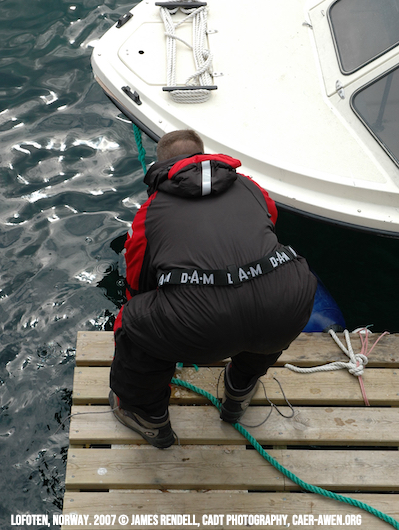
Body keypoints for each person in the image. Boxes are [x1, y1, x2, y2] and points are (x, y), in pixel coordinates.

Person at [109, 129, 317, 448]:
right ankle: (240, 388)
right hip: (286, 305)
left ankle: (146, 415)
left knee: (133, 321)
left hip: (202, 326)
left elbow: (137, 282)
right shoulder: (251, 187)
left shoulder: (151, 211)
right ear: (204, 155)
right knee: (268, 299)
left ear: (162, 165)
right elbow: (268, 225)